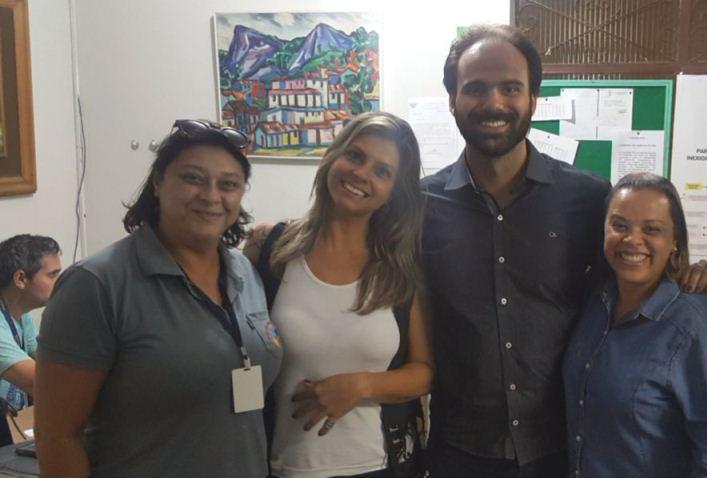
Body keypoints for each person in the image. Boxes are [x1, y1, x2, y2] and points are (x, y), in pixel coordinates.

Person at [34, 120, 282, 477]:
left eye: (228, 184)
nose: (211, 196)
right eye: (193, 178)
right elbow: (57, 436)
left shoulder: (244, 271)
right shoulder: (96, 284)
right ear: (157, 182)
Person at [420, 24, 610, 477]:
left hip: (563, 451)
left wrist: (690, 276)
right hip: (458, 453)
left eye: (510, 88)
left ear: (533, 99)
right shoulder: (419, 205)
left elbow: (633, 286)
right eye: (475, 88)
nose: (494, 104)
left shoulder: (588, 199)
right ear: (452, 100)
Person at [244, 112, 431, 478]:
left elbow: (423, 372)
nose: (361, 174)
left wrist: (359, 386)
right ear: (333, 156)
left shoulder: (399, 269)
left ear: (393, 193)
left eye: (382, 171)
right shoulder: (270, 248)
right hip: (283, 467)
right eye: (355, 155)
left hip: (380, 467)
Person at [563, 173, 707, 477]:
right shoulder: (594, 302)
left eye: (652, 229)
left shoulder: (702, 325)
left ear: (674, 240)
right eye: (619, 225)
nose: (632, 239)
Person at [0, 234, 61, 445]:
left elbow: (49, 360)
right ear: (20, 279)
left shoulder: (21, 313)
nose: (60, 283)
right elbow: (40, 382)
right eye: (52, 275)